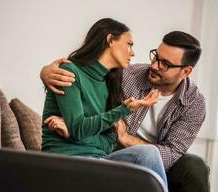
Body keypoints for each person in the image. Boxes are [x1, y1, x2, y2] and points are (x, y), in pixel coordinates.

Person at [41, 31, 209, 192]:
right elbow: (87, 76)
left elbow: (171, 154)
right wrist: (46, 72)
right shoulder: (127, 75)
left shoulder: (194, 103)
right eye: (155, 56)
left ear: (186, 72)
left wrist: (126, 137)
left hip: (159, 164)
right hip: (115, 151)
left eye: (165, 64)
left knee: (194, 166)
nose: (154, 65)